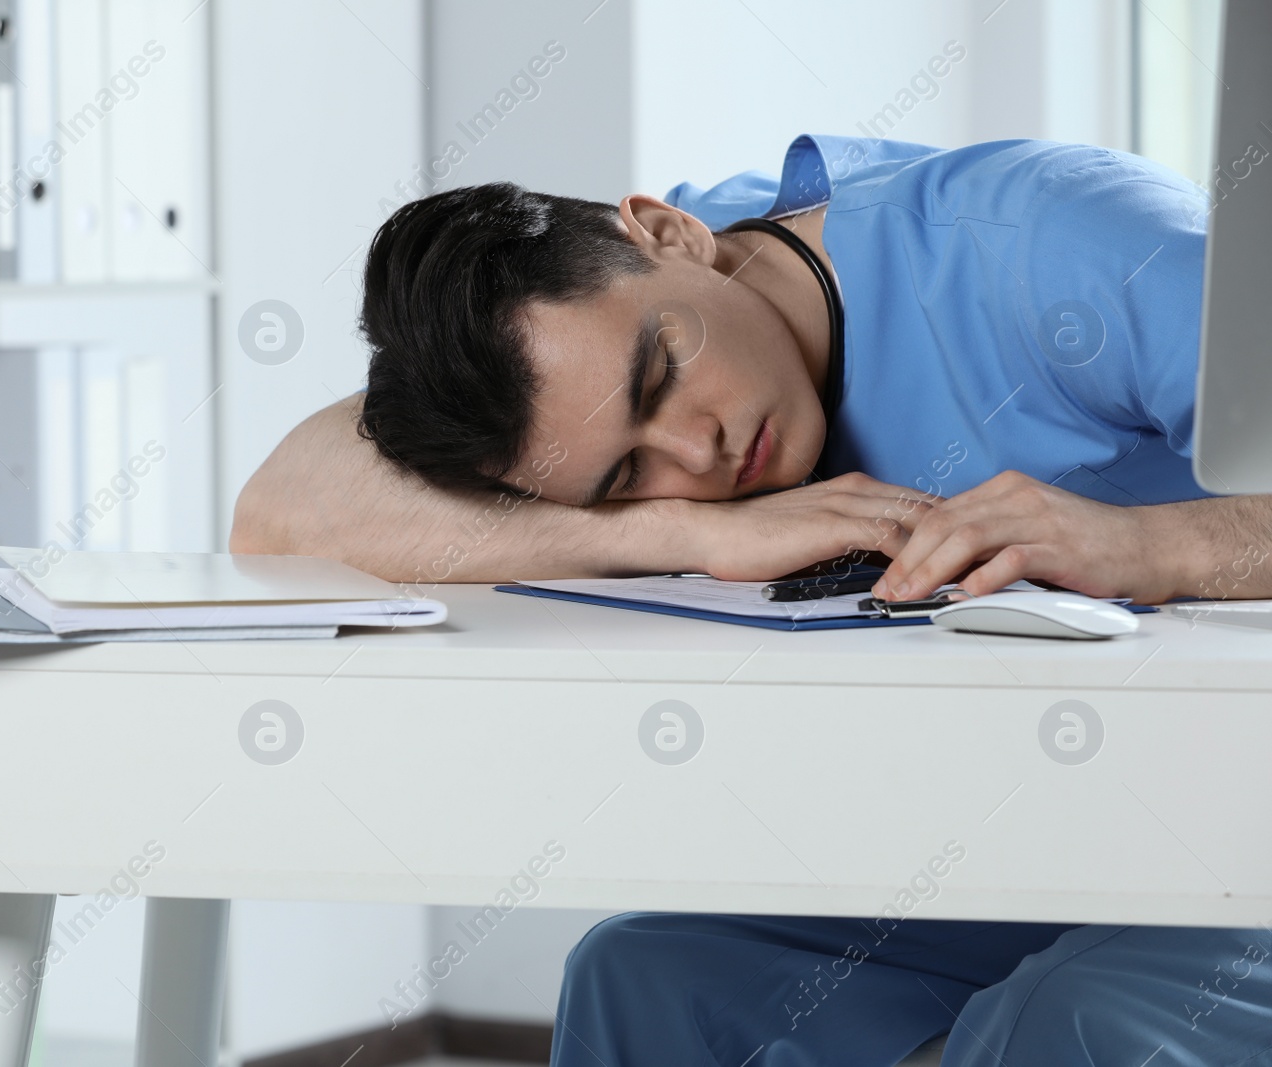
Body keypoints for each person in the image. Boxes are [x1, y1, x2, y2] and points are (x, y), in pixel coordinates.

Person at [231, 135, 1272, 1065]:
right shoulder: (601, 337)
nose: (698, 451)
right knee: (647, 973)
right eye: (625, 472)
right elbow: (281, 510)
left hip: (1242, 842)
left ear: (671, 233)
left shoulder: (1052, 245)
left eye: (658, 377)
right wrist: (684, 530)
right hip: (1058, 842)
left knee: (1071, 1017)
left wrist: (1148, 540)